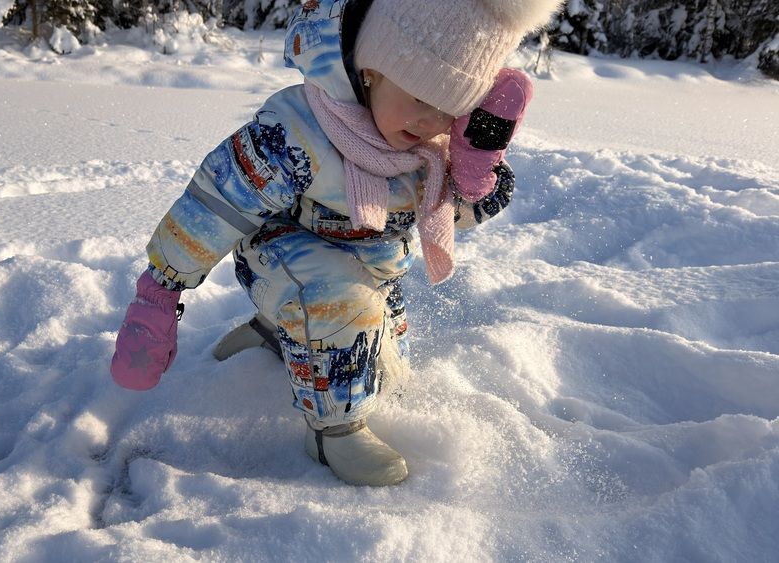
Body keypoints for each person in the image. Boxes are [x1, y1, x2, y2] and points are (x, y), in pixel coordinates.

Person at [110, 0, 563, 486]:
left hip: (371, 265)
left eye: (449, 110)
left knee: (383, 365)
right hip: (276, 250)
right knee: (341, 310)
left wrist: (476, 175)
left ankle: (275, 334)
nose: (430, 122)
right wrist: (161, 288)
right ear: (373, 70)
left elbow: (451, 215)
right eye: (420, 97)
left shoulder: (431, 151)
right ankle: (332, 433)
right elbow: (218, 202)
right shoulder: (299, 131)